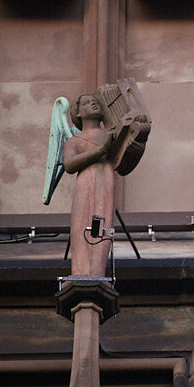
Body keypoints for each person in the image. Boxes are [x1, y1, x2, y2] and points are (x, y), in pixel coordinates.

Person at [64, 93, 116, 277]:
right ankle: (80, 272)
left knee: (102, 224)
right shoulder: (74, 141)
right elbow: (69, 165)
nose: (93, 105)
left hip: (104, 180)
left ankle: (96, 272)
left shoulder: (111, 134)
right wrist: (100, 150)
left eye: (96, 103)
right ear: (78, 113)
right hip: (84, 183)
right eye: (87, 103)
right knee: (81, 224)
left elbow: (126, 161)